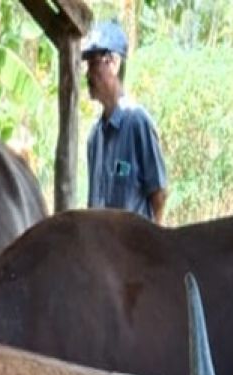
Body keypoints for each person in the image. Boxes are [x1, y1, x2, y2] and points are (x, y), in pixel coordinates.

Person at [82, 20, 168, 223]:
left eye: (93, 63)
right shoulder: (95, 137)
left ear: (113, 62)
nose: (87, 74)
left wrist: (151, 247)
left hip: (133, 251)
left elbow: (159, 195)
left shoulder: (138, 122)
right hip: (100, 250)